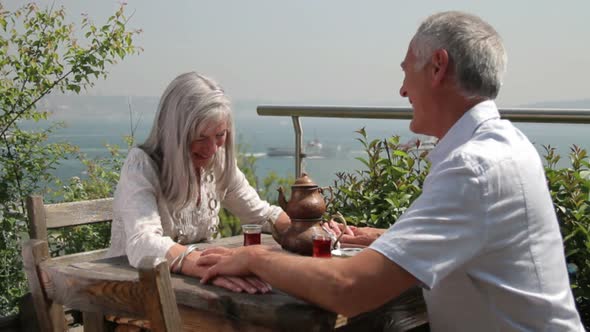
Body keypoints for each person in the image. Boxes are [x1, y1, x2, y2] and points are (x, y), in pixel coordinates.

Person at [197, 11, 584, 330]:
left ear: (437, 67)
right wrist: (386, 239)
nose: (402, 90)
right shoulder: (507, 145)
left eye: (406, 71)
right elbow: (479, 239)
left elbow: (349, 289)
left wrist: (255, 259)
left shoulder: (473, 169)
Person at [106, 72, 292, 293]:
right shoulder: (141, 166)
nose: (212, 149)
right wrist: (206, 267)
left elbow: (260, 215)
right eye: (200, 137)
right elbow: (143, 243)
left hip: (187, 289)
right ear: (175, 133)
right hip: (130, 294)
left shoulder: (218, 161)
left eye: (220, 135)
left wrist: (313, 233)